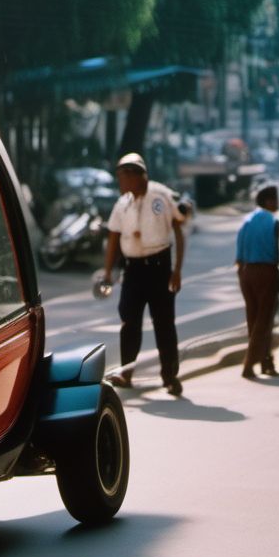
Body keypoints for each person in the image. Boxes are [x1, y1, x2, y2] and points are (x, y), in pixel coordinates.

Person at [99, 152, 186, 396]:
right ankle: (126, 372)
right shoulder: (123, 203)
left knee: (164, 323)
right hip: (133, 269)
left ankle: (170, 376)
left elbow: (179, 230)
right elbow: (113, 236)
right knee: (129, 321)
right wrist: (107, 272)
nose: (120, 182)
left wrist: (177, 270)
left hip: (159, 267)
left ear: (137, 176)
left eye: (123, 176)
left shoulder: (162, 196)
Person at [235, 183, 279, 379]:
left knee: (253, 319)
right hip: (267, 271)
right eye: (275, 199)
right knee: (265, 319)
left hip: (246, 272)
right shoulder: (274, 222)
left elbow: (239, 254)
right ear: (269, 201)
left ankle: (265, 362)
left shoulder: (247, 221)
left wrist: (243, 275)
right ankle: (249, 362)